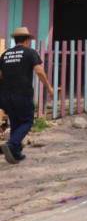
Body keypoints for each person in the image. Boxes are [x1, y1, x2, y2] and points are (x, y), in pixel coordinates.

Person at [0, 27, 55, 164]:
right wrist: (48, 87)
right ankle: (12, 144)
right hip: (22, 94)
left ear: (15, 39)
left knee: (16, 123)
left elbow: (0, 75)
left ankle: (16, 153)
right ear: (27, 40)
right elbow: (39, 71)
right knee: (27, 121)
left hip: (6, 96)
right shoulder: (30, 53)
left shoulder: (5, 55)